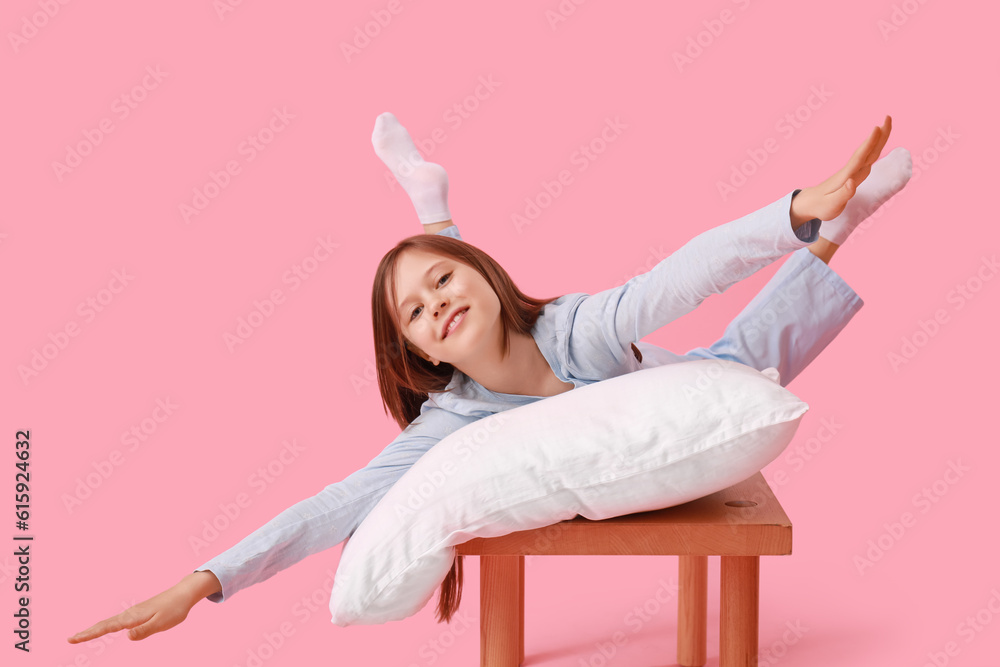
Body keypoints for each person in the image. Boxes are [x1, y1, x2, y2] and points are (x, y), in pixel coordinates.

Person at [67, 112, 912, 644]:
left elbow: (677, 277)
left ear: (484, 273)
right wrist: (203, 580)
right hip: (488, 351)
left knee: (741, 369)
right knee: (739, 362)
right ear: (416, 353)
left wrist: (796, 212)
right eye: (412, 312)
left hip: (651, 372)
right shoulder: (447, 420)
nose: (434, 307)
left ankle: (843, 221)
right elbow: (332, 505)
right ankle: (433, 210)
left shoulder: (574, 327)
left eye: (444, 281)